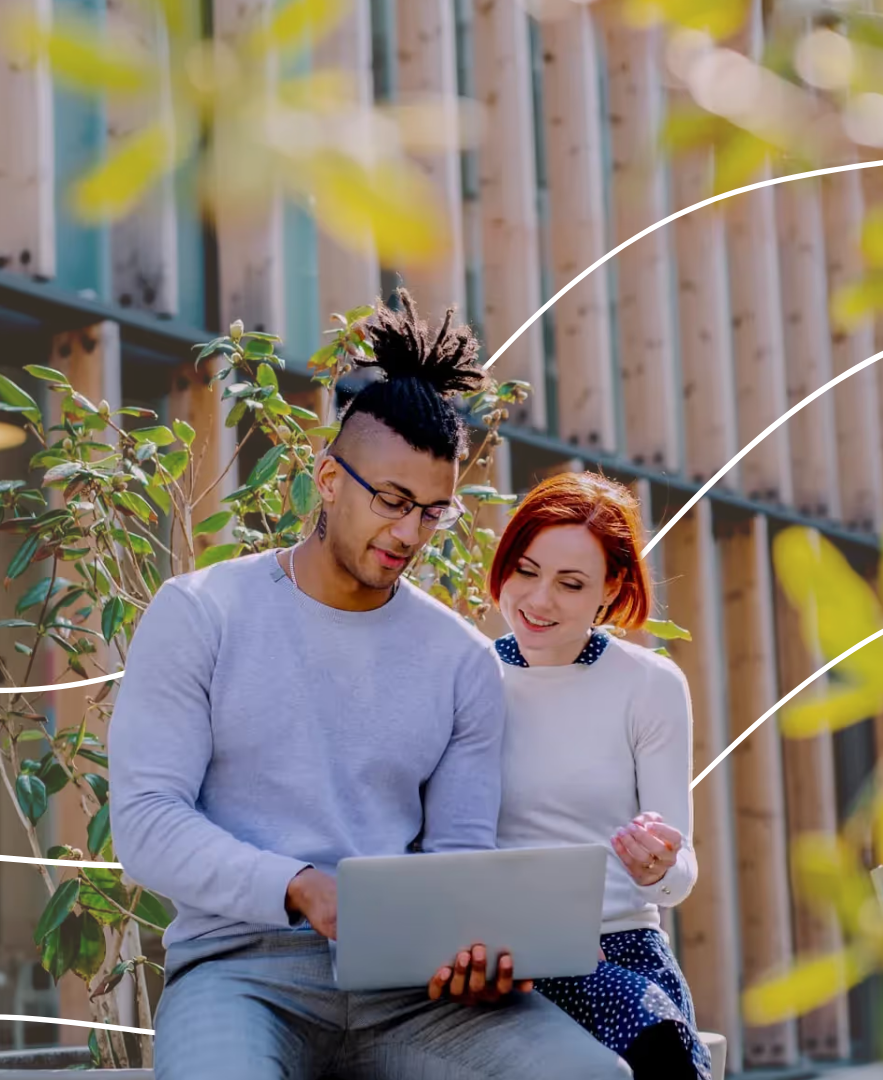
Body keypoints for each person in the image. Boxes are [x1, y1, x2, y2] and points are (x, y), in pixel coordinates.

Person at [110, 291, 629, 1079]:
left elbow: (459, 863)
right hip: (241, 974)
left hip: (412, 989)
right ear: (328, 478)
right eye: (391, 501)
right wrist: (300, 887)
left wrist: (475, 953)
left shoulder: (461, 663)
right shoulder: (202, 614)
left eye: (432, 513)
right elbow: (146, 824)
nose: (408, 533)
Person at [487, 472, 712, 1080]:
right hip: (505, 958)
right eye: (526, 571)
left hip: (620, 949)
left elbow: (679, 877)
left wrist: (659, 867)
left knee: (656, 1035)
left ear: (611, 588)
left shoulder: (649, 684)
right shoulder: (467, 678)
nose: (539, 601)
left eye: (571, 584)